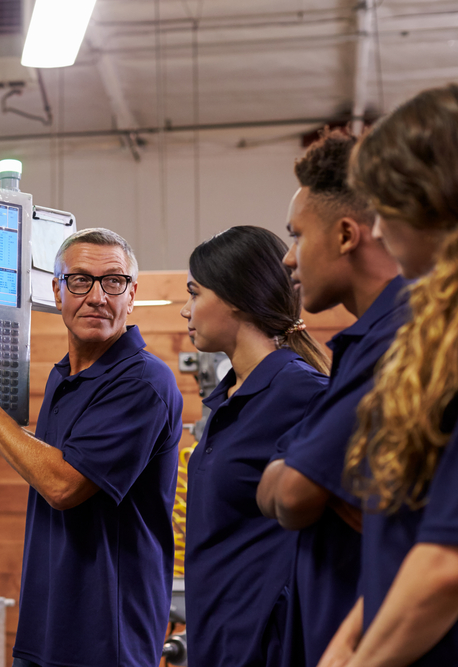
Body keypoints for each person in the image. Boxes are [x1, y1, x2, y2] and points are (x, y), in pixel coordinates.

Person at [0, 228, 183, 667]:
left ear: (132, 294)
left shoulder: (143, 382)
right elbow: (49, 460)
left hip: (106, 638)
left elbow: (63, 485)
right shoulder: (64, 376)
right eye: (80, 280)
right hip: (47, 627)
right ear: (57, 290)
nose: (97, 296)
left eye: (113, 282)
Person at [319, 83, 458, 666]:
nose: (382, 229)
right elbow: (406, 542)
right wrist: (346, 646)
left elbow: (451, 560)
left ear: (429, 200)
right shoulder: (437, 327)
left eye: (385, 207)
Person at [255, 129, 404, 666]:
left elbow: (290, 497)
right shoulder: (360, 345)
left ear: (346, 234)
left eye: (297, 237)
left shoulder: (396, 339)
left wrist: (294, 473)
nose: (289, 260)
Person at [182, 225, 330, 667]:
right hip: (216, 636)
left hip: (267, 644)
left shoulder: (302, 392)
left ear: (235, 299)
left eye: (194, 294)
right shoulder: (226, 399)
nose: (186, 311)